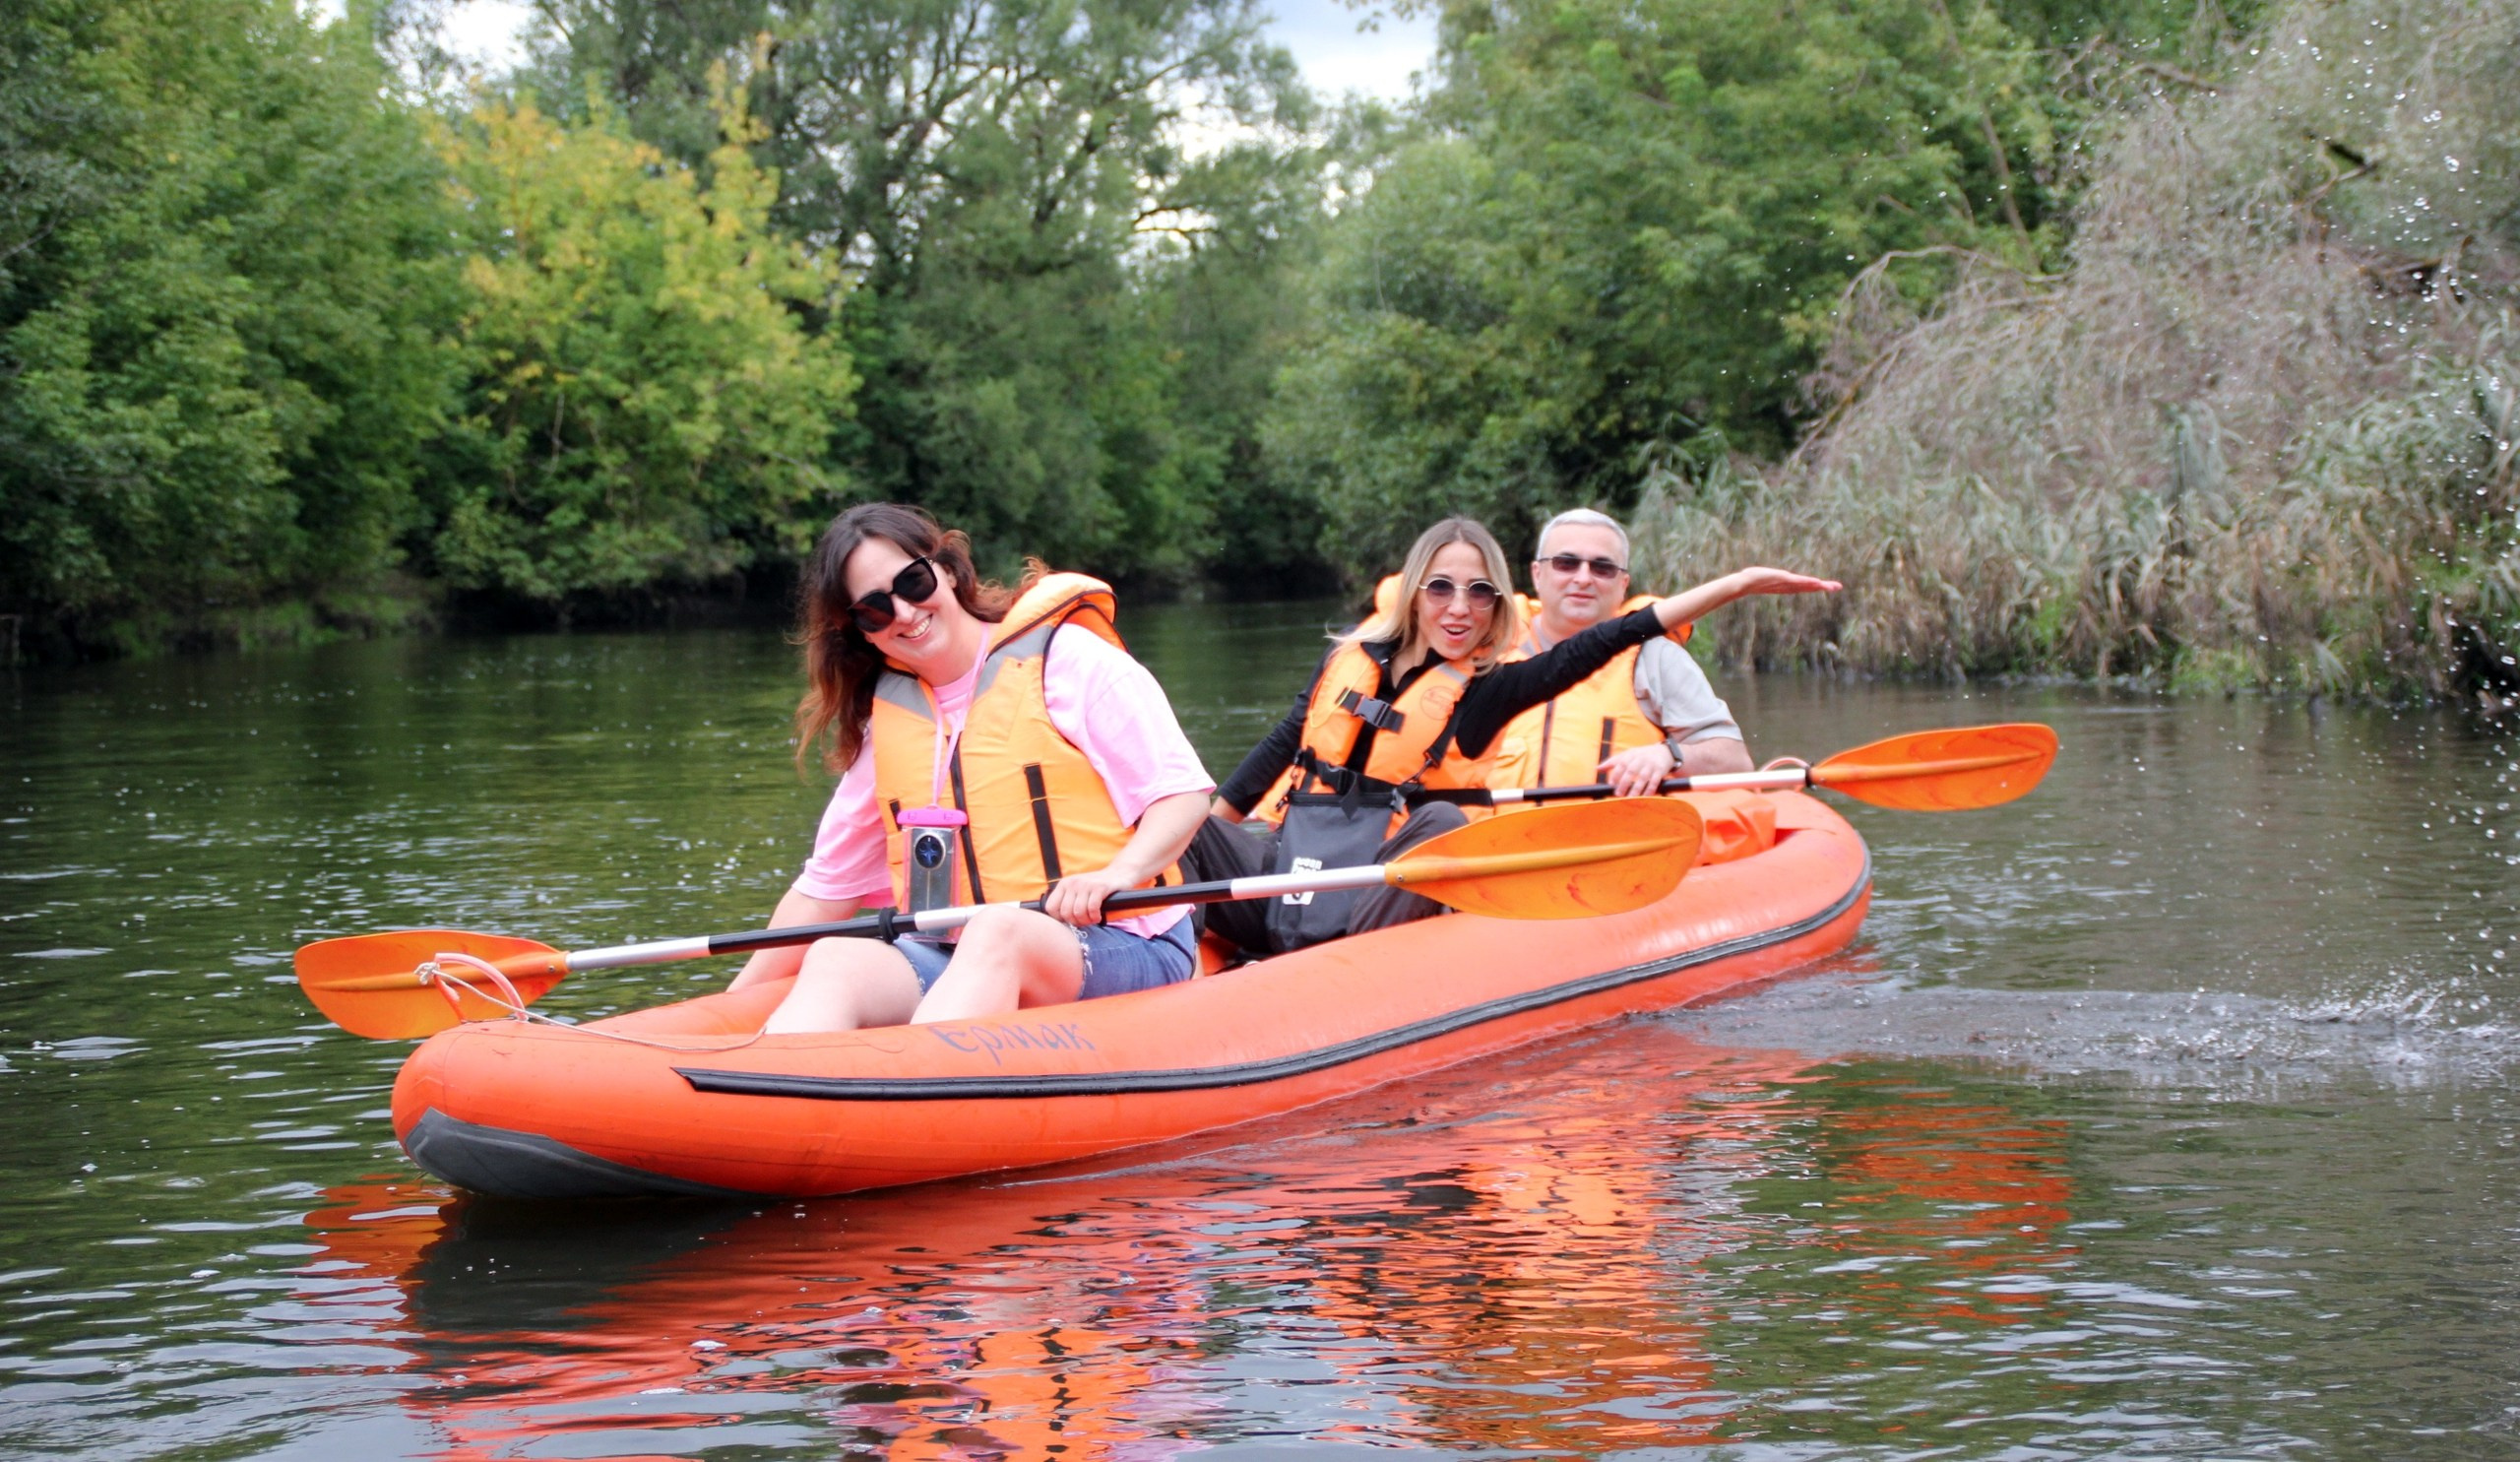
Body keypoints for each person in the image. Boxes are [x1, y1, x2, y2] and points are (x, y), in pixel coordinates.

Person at [1191, 517, 1835, 956]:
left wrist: (1737, 585)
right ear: (1415, 592)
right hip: (1299, 868)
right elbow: (1282, 745)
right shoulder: (1348, 657)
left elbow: (1603, 642)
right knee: (1181, 815)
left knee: (1442, 818)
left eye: (1478, 593)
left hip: (1373, 901)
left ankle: (1352, 980)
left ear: (1497, 605)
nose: (1458, 606)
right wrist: (1214, 833)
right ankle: (1179, 953)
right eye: (1440, 587)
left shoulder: (1487, 688)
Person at [727, 504, 1213, 1034]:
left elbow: (1182, 797)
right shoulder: (889, 724)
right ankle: (772, 1089)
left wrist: (1115, 876)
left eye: (913, 582)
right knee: (835, 958)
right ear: (861, 631)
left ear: (950, 571)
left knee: (999, 930)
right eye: (874, 610)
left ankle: (913, 1092)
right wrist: (725, 1008)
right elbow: (825, 890)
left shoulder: (1069, 659)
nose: (905, 614)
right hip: (958, 955)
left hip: (1126, 941)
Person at [1492, 507, 1754, 798]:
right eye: (1566, 563)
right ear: (1537, 574)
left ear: (1623, 586)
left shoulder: (1655, 657)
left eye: (1602, 568)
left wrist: (1669, 755)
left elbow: (1737, 762)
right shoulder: (1485, 650)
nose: (1583, 578)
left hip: (1614, 840)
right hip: (1492, 839)